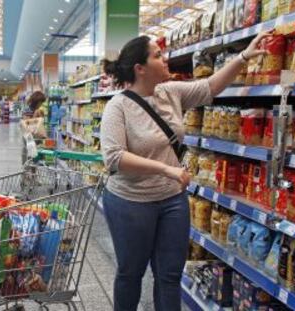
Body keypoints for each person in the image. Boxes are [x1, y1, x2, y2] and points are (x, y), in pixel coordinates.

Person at [100, 32, 270, 311]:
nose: (164, 58)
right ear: (139, 69)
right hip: (130, 202)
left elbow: (210, 86)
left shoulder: (170, 93)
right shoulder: (117, 108)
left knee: (169, 275)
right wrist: (166, 168)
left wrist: (242, 57)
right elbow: (115, 157)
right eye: (157, 55)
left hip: (172, 200)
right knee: (130, 274)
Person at [21, 91, 47, 165]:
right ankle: (28, 174)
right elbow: (26, 126)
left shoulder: (37, 110)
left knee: (35, 161)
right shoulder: (27, 110)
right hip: (29, 140)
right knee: (29, 161)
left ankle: (33, 173)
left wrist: (41, 116)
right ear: (37, 101)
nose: (41, 104)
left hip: (36, 139)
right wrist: (36, 116)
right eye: (41, 102)